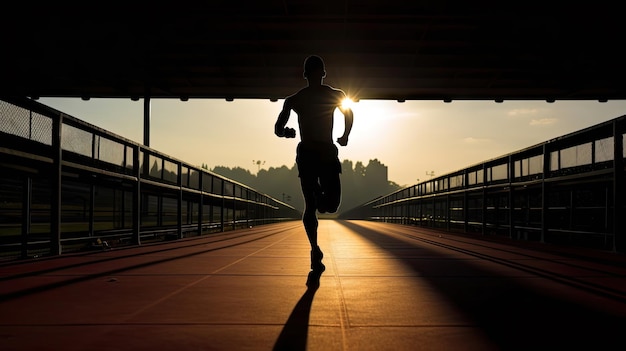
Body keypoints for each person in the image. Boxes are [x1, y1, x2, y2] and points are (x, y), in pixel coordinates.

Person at [274, 55, 354, 272]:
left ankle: (315, 242)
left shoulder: (299, 99)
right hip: (319, 152)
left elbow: (278, 128)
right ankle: (314, 250)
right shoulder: (315, 97)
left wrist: (285, 132)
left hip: (315, 153)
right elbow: (349, 112)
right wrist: (345, 135)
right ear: (320, 73)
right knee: (314, 205)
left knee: (326, 205)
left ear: (306, 74)